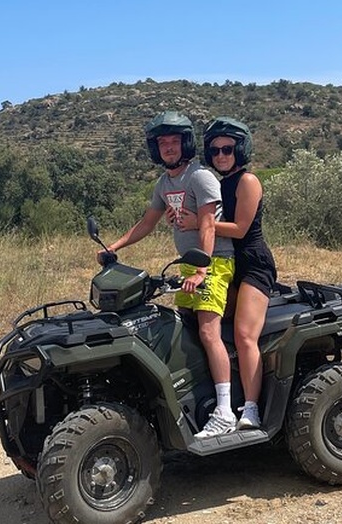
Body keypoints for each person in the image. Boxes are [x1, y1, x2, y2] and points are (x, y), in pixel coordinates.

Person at [99, 111, 238, 438]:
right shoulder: (164, 183)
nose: (169, 148)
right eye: (163, 143)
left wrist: (202, 268)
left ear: (185, 143)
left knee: (208, 331)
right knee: (182, 329)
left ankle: (224, 411)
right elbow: (147, 222)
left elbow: (208, 224)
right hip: (190, 265)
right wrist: (114, 246)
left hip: (215, 262)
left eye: (174, 141)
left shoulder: (200, 177)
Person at [173, 117, 276, 430]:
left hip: (253, 264)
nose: (220, 155)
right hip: (226, 264)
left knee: (244, 335)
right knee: (198, 321)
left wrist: (200, 223)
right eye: (215, 150)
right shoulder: (217, 183)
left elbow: (241, 228)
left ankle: (251, 409)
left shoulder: (248, 181)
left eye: (228, 149)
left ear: (240, 149)